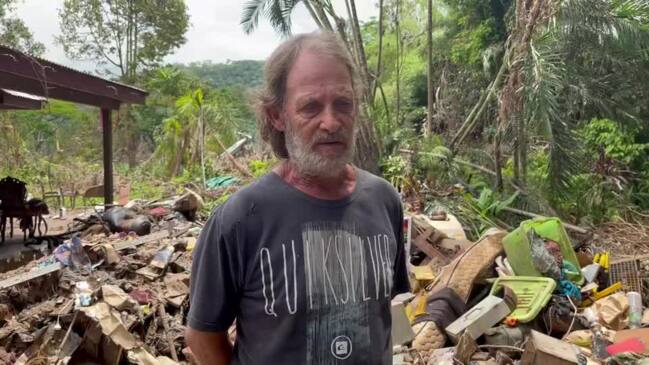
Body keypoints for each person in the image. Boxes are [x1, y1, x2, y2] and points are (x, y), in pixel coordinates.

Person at [185, 31, 409, 365]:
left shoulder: (384, 200)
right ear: (277, 115)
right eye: (310, 107)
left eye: (343, 104)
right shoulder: (240, 219)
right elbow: (202, 336)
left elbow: (381, 310)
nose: (331, 122)